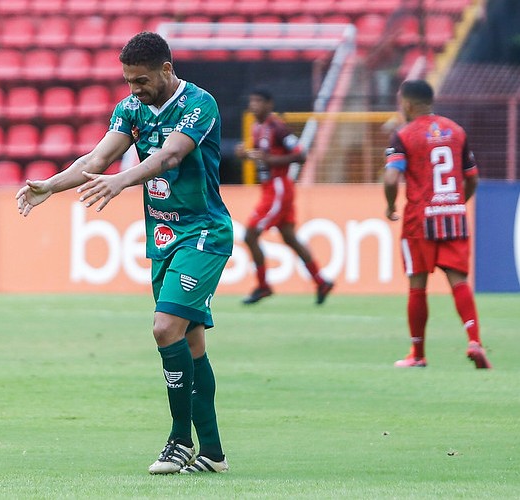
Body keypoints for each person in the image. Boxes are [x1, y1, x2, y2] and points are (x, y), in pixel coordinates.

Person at [16, 32, 232, 474]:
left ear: (166, 70)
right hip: (165, 237)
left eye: (141, 80)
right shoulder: (130, 109)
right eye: (128, 80)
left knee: (164, 327)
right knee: (190, 343)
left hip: (204, 232)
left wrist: (123, 179)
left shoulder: (199, 104)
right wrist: (50, 187)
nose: (133, 88)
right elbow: (96, 159)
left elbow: (171, 155)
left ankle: (177, 442)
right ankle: (212, 454)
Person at [383, 79, 491, 369]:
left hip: (419, 220)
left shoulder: (403, 135)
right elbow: (473, 178)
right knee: (459, 282)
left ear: (407, 103)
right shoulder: (456, 131)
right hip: (453, 216)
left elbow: (392, 177)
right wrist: (457, 202)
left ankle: (417, 354)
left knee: (417, 286)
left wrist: (391, 205)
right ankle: (474, 341)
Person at [234, 87, 333, 305]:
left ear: (269, 105)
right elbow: (264, 157)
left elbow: (300, 154)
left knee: (250, 235)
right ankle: (321, 281)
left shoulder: (277, 127)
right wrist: (247, 156)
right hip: (271, 187)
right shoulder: (257, 127)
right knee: (289, 237)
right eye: (252, 101)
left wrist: (269, 161)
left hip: (278, 187)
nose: (254, 105)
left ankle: (263, 286)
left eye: (258, 101)